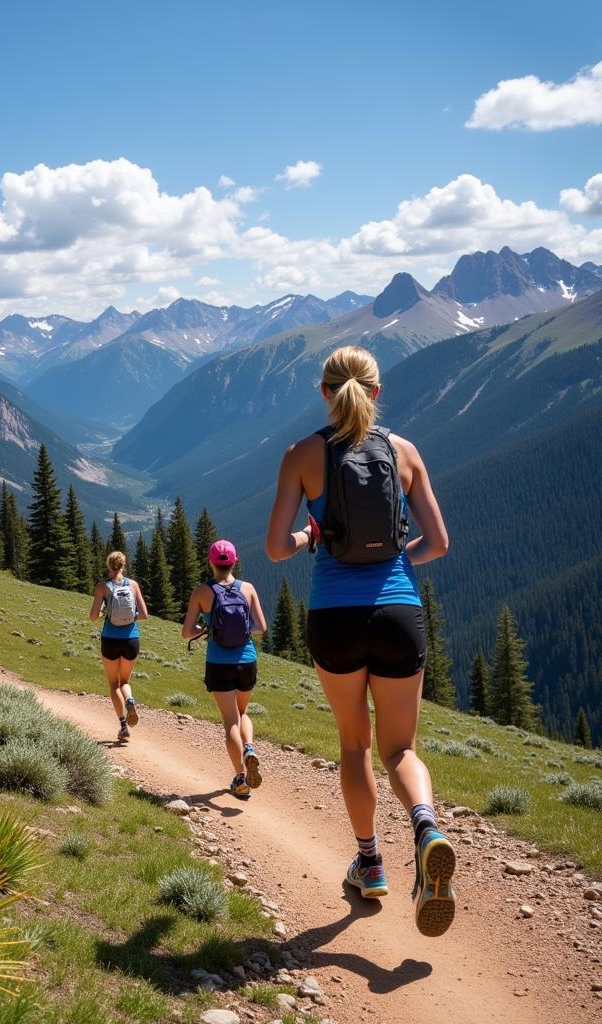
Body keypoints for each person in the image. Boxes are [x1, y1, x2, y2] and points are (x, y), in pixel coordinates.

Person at [265, 344, 454, 937]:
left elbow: (274, 549)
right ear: (376, 392)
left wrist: (309, 535)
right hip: (398, 611)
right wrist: (399, 563)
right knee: (401, 749)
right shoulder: (405, 452)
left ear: (325, 392)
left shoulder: (302, 455)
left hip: (335, 617)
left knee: (355, 744)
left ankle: (370, 864)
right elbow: (438, 542)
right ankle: (426, 828)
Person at [181, 540, 267, 798]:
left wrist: (207, 630)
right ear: (235, 561)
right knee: (243, 712)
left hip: (219, 663)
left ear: (211, 562)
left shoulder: (201, 592)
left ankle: (240, 780)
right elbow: (260, 627)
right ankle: (249, 748)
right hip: (246, 660)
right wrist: (241, 630)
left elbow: (187, 632)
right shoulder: (248, 588)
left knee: (230, 720)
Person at [90, 550, 149, 743]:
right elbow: (144, 615)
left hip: (110, 638)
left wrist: (105, 612)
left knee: (113, 684)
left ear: (108, 565)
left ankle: (123, 725)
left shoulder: (101, 587)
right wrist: (129, 617)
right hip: (131, 639)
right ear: (123, 565)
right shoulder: (133, 585)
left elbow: (93, 616)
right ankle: (130, 700)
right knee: (125, 681)